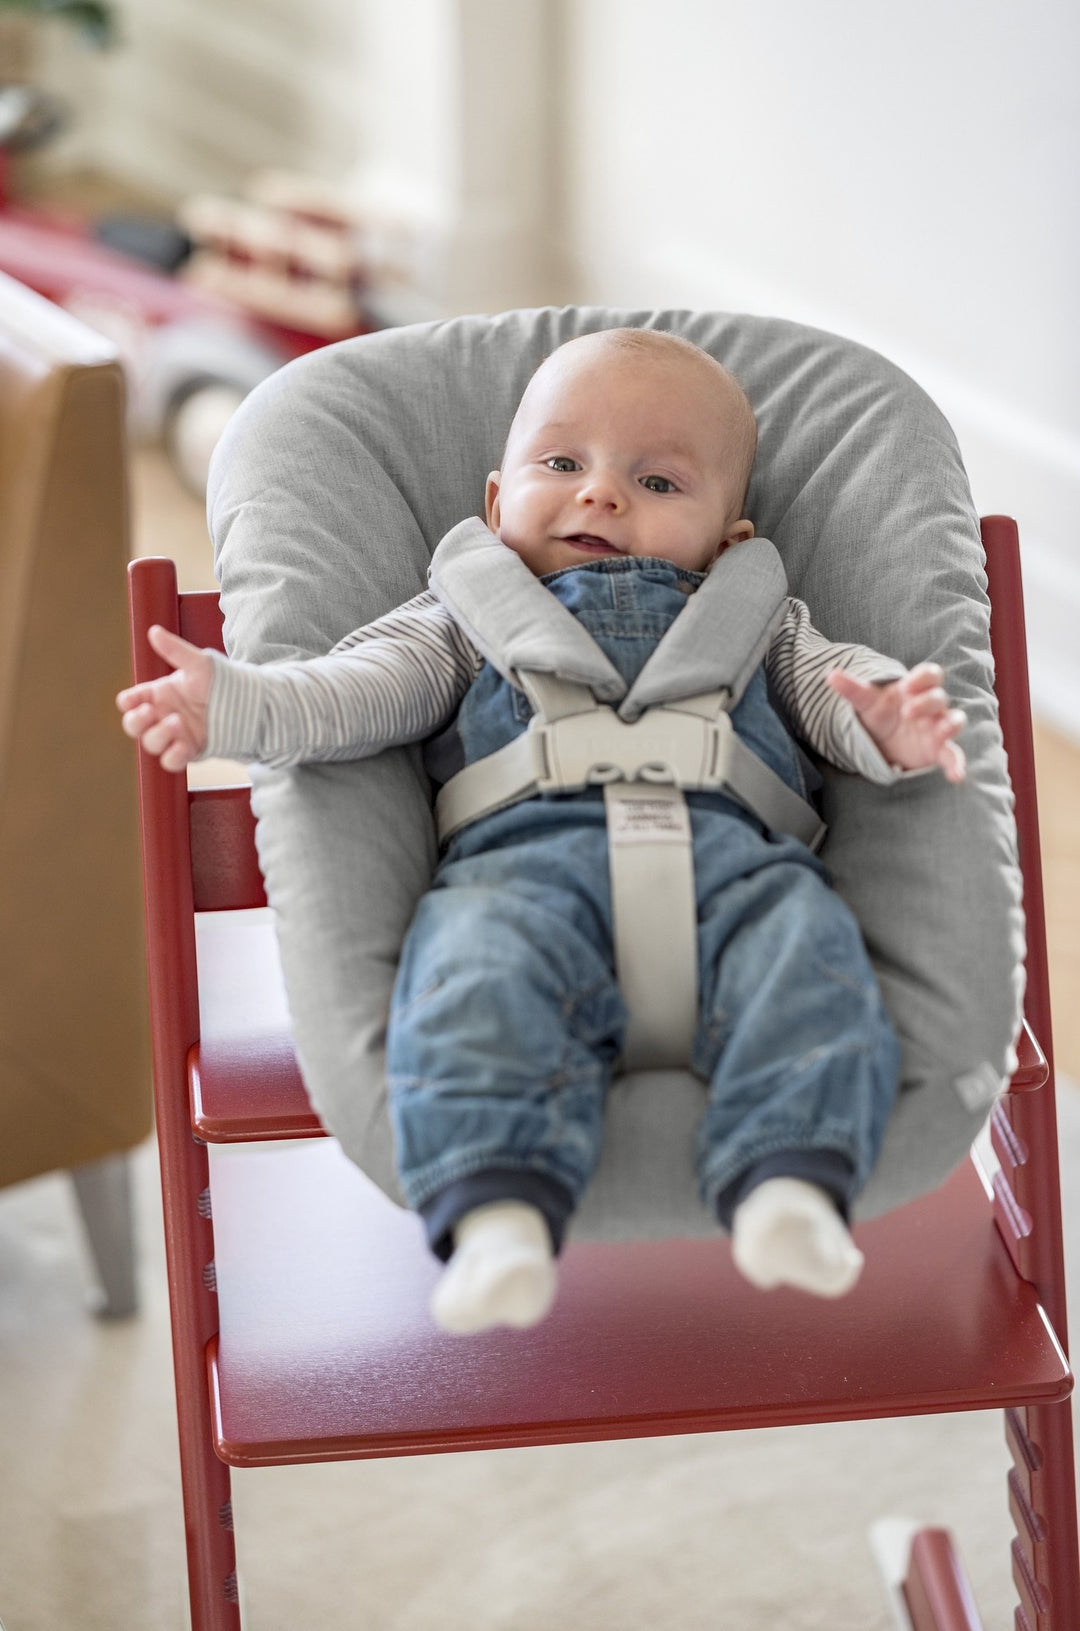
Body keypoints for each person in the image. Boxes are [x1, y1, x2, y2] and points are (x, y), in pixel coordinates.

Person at [118, 329, 967, 1335]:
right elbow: (349, 693)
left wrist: (883, 722)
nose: (601, 494)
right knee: (472, 977)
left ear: (731, 538)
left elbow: (835, 694)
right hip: (519, 876)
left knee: (813, 958)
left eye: (655, 478)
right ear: (494, 504)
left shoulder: (760, 615)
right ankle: (499, 1212)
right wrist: (241, 707)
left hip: (741, 872)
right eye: (562, 464)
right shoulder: (463, 614)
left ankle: (788, 1179)